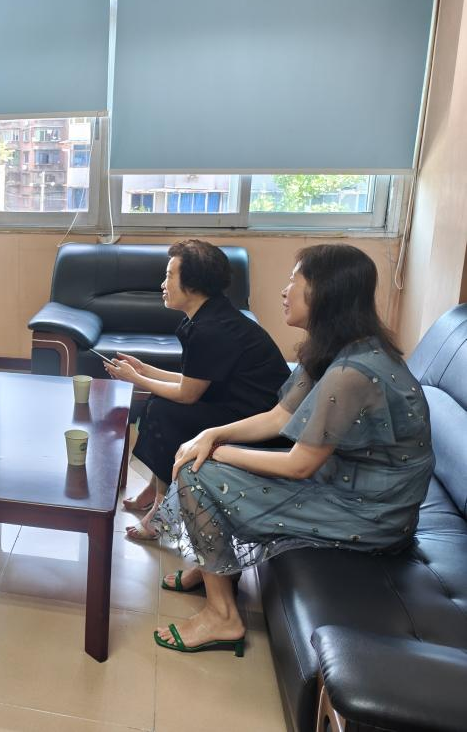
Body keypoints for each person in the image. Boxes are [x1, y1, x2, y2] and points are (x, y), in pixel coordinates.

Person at [152, 244, 434, 657]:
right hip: (343, 484)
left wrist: (215, 453)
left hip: (370, 512)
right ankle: (216, 568)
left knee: (199, 474)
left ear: (324, 292)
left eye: (294, 281)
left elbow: (299, 465)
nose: (284, 291)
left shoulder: (351, 372)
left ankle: (222, 616)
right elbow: (278, 416)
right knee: (203, 455)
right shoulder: (334, 348)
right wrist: (212, 434)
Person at [105, 240, 290, 540]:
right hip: (234, 403)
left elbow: (187, 394)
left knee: (165, 411)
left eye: (169, 276)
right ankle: (155, 489)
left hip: (258, 422)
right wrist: (144, 369)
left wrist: (134, 378)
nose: (162, 284)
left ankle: (163, 512)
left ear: (192, 284)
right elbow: (194, 381)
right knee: (159, 402)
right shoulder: (208, 316)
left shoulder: (212, 328)